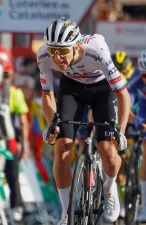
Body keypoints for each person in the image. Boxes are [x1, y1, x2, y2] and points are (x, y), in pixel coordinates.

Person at [38, 18, 131, 224]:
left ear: (77, 46)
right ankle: (66, 212)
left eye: (63, 51)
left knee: (108, 149)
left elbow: (123, 95)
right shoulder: (44, 55)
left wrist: (120, 132)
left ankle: (109, 187)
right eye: (53, 50)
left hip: (103, 89)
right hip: (72, 88)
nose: (57, 57)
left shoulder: (96, 50)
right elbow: (47, 95)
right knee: (62, 147)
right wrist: (51, 124)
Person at [127, 49, 146, 222]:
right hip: (143, 111)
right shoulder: (136, 79)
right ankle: (145, 205)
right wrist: (137, 120)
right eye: (145, 76)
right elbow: (125, 103)